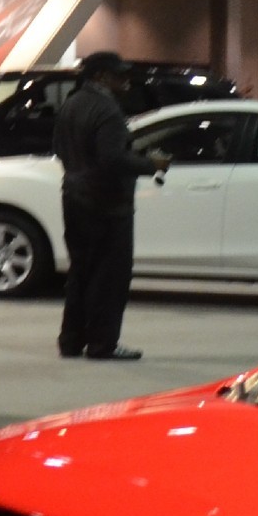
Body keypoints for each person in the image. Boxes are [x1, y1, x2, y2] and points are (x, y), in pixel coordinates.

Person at [52, 53, 168, 360]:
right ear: (102, 76)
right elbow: (112, 160)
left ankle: (71, 341)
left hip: (74, 196)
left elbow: (59, 149)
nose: (125, 80)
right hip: (106, 204)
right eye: (119, 75)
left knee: (81, 272)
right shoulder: (106, 110)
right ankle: (103, 344)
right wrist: (150, 163)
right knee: (109, 277)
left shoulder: (72, 103)